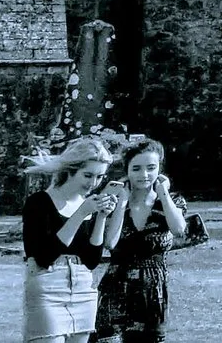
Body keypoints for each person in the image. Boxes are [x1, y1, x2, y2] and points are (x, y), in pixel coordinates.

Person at [24, 137, 120, 343]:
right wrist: (80, 213)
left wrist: (101, 216)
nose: (94, 183)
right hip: (48, 287)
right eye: (88, 175)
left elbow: (92, 260)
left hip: (83, 288)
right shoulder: (38, 203)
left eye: (100, 177)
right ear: (70, 170)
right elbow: (44, 256)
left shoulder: (90, 205)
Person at [93, 136, 188, 343]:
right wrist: (122, 202)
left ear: (159, 169)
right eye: (136, 169)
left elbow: (179, 229)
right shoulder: (114, 201)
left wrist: (163, 192)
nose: (144, 175)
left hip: (154, 291)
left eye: (151, 168)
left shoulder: (171, 201)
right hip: (116, 288)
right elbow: (110, 243)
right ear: (127, 170)